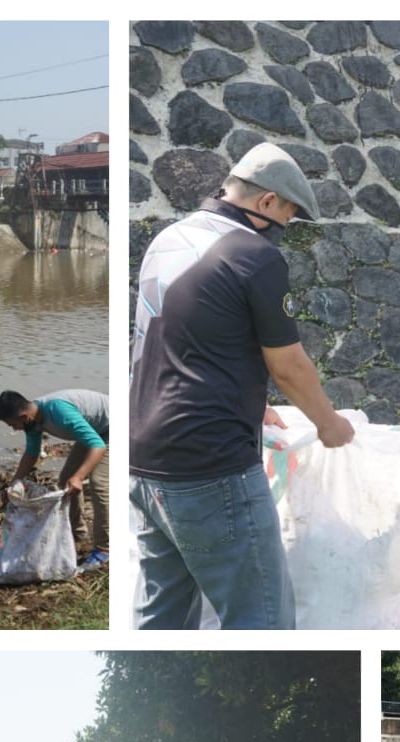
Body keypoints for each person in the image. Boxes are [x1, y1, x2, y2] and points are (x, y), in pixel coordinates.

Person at [129, 141, 356, 629]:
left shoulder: (170, 239)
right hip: (209, 465)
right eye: (287, 219)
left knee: (161, 621)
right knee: (262, 623)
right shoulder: (253, 254)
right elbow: (288, 365)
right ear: (267, 201)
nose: (283, 234)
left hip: (144, 460)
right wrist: (328, 423)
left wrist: (252, 404)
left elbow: (179, 339)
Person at [0, 389, 110, 572]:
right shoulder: (32, 421)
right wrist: (14, 484)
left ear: (24, 416)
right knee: (66, 480)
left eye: (13, 424)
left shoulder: (58, 411)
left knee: (99, 484)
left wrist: (79, 477)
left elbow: (98, 446)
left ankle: (104, 550)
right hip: (94, 430)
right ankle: (78, 534)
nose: (14, 429)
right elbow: (31, 454)